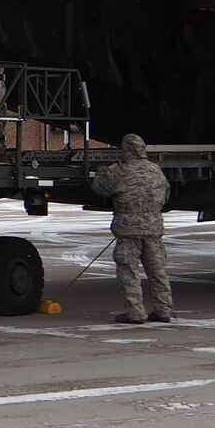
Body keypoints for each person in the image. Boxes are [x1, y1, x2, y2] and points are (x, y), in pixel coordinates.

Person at [91, 133, 174, 324]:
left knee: (129, 273)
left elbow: (100, 188)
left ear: (125, 150)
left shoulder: (120, 171)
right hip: (153, 230)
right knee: (158, 272)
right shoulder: (155, 170)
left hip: (129, 232)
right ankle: (163, 310)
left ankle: (135, 313)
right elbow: (166, 195)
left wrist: (101, 171)